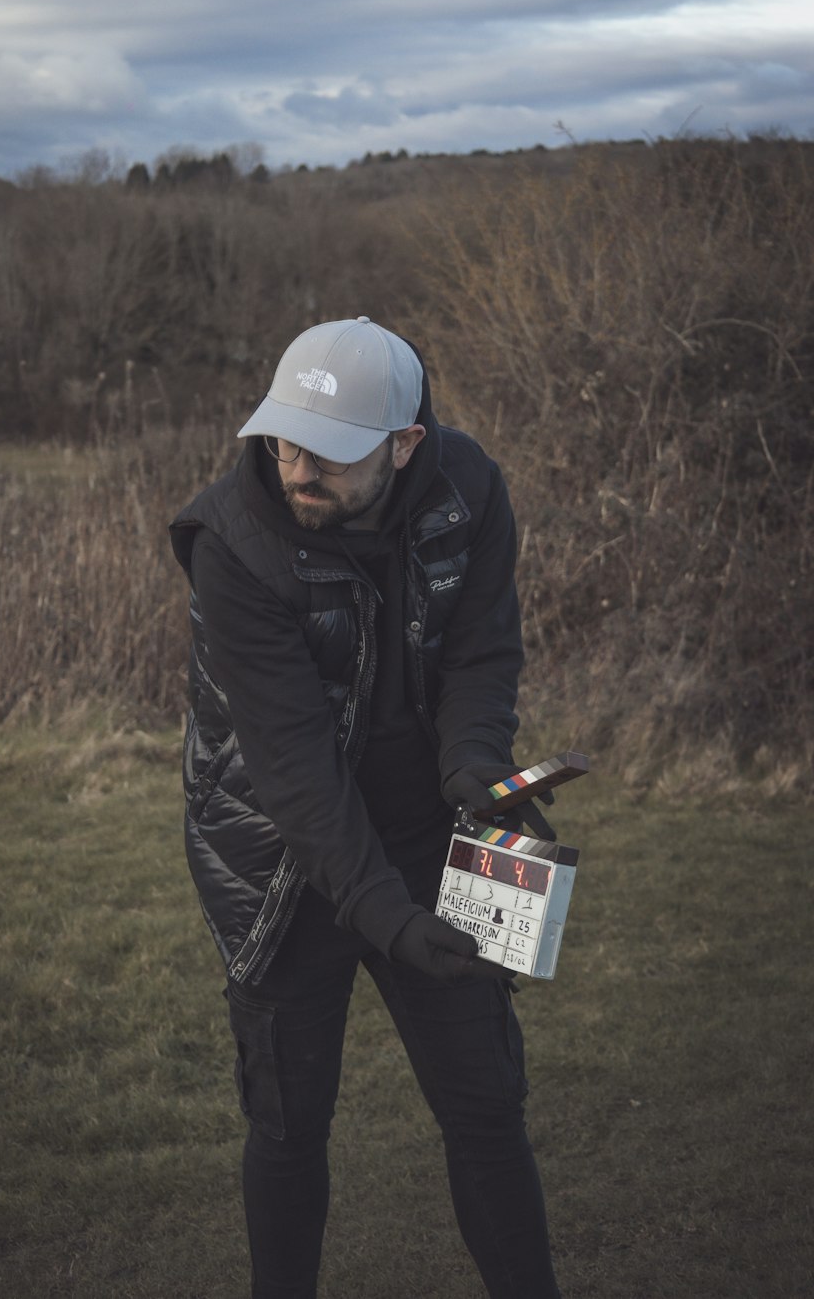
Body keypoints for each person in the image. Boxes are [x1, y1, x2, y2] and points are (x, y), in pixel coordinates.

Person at [169, 317, 561, 1298]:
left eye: (331, 454)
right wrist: (387, 919)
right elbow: (295, 768)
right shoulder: (233, 544)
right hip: (279, 863)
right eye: (284, 439)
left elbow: (480, 651)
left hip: (432, 834)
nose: (298, 469)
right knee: (288, 1124)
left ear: (404, 445)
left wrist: (475, 767)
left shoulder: (469, 490)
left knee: (484, 1107)